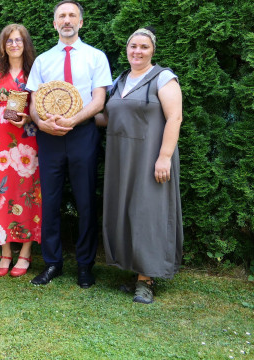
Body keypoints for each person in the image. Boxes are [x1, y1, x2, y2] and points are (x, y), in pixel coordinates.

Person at [26, 0, 112, 288]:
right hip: (48, 136)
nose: (66, 20)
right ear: (54, 24)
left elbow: (99, 101)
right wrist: (40, 123)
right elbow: (33, 102)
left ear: (80, 22)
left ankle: (85, 266)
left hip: (82, 134)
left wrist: (73, 120)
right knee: (50, 201)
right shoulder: (43, 61)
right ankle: (52, 263)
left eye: (72, 15)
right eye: (61, 16)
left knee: (85, 201)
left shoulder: (96, 57)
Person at [101, 27, 183, 304]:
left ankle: (146, 280)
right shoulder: (119, 80)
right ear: (127, 49)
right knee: (126, 212)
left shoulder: (163, 78)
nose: (137, 51)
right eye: (133, 46)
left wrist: (164, 156)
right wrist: (70, 117)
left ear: (152, 51)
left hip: (150, 157)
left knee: (148, 213)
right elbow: (107, 117)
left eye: (144, 47)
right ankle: (135, 271)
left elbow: (175, 118)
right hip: (120, 158)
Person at [0, 24, 42, 277]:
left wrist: (29, 118)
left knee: (28, 192)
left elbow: (40, 107)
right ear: (3, 45)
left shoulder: (35, 72)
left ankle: (26, 252)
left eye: (19, 40)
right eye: (9, 40)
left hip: (27, 139)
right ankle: (5, 251)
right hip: (0, 142)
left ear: (25, 44)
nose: (14, 44)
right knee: (2, 191)